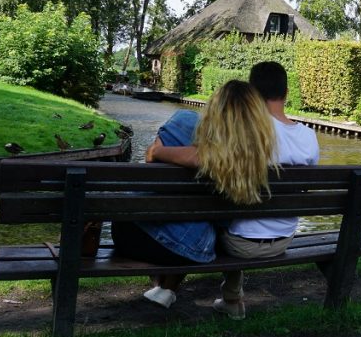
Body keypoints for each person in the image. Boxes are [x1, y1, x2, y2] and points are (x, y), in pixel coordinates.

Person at [149, 61, 319, 319]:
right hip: (284, 238)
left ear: (251, 94)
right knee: (238, 209)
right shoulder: (309, 137)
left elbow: (211, 162)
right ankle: (229, 299)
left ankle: (172, 288)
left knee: (222, 210)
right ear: (286, 94)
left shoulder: (248, 134)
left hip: (239, 243)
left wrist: (161, 151)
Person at [114, 82, 275, 309]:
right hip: (194, 252)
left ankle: (163, 285)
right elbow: (224, 220)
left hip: (134, 239)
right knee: (198, 223)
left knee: (172, 211)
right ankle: (166, 288)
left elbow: (151, 158)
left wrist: (159, 151)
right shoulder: (252, 159)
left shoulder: (184, 121)